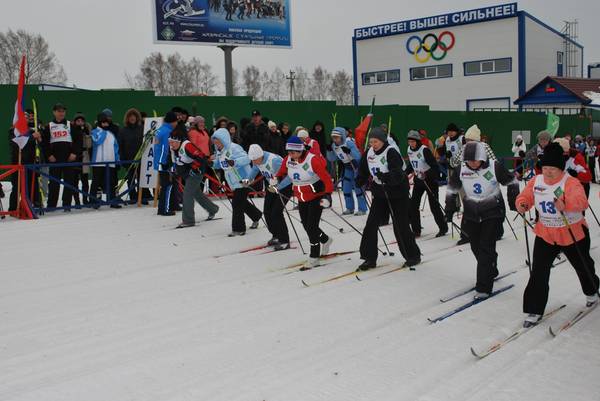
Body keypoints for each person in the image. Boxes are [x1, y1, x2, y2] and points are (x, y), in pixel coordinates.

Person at [516, 142, 599, 328]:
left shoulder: (570, 182)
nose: (548, 172)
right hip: (546, 233)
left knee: (582, 266)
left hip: (571, 232)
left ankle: (592, 291)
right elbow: (526, 196)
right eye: (545, 167)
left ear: (561, 168)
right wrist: (522, 203)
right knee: (539, 271)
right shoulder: (536, 181)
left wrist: (566, 204)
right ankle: (534, 309)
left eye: (552, 168)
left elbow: (582, 201)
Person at [445, 142, 519, 299]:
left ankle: (484, 287)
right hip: (471, 213)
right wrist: (449, 209)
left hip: (492, 211)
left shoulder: (494, 167)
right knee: (475, 246)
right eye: (469, 160)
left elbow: (512, 181)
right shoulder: (461, 169)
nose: (472, 163)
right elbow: (451, 189)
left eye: (475, 160)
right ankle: (491, 267)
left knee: (486, 247)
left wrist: (514, 201)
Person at [355, 128, 421, 270]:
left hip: (397, 193)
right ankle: (369, 258)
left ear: (382, 140)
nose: (373, 144)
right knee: (371, 225)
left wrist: (385, 177)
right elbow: (363, 169)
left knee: (401, 226)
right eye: (371, 142)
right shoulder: (369, 153)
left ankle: (413, 256)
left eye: (376, 142)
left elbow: (398, 174)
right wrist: (360, 179)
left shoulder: (391, 152)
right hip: (380, 193)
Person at [274, 136, 333, 268]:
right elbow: (281, 172)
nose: (291, 155)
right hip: (302, 197)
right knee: (306, 225)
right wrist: (275, 178)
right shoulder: (288, 159)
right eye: (289, 152)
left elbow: (327, 179)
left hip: (316, 196)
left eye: (293, 152)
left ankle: (314, 257)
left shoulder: (312, 160)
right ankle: (325, 239)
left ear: (301, 150)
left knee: (311, 227)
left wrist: (328, 196)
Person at [210, 127, 262, 236]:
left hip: (243, 179)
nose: (217, 144)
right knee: (241, 202)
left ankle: (238, 229)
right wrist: (213, 163)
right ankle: (256, 215)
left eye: (218, 142)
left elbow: (247, 158)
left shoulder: (234, 147)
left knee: (237, 204)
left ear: (224, 139)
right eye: (215, 142)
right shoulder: (220, 152)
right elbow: (220, 164)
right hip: (233, 181)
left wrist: (235, 162)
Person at [245, 144, 292, 250]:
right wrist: (247, 180)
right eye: (252, 160)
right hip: (272, 186)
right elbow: (254, 169)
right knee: (267, 212)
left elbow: (289, 176)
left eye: (255, 160)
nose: (254, 162)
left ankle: (284, 240)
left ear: (260, 155)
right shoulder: (257, 161)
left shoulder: (274, 161)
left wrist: (279, 187)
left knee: (276, 213)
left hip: (285, 186)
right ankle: (276, 235)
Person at [405, 130, 448, 237]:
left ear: (417, 141)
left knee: (434, 206)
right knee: (413, 205)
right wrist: (405, 173)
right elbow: (412, 163)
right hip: (418, 181)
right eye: (409, 142)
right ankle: (416, 230)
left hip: (429, 181)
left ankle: (443, 228)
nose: (411, 144)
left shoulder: (424, 150)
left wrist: (426, 174)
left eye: (413, 141)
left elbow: (435, 166)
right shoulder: (409, 149)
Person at [169, 137, 219, 228]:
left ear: (179, 141)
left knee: (187, 194)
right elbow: (177, 161)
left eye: (173, 142)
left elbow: (201, 157)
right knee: (197, 194)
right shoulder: (173, 149)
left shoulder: (187, 145)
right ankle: (213, 209)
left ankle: (188, 220)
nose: (171, 144)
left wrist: (196, 168)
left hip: (195, 173)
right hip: (187, 175)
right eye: (170, 142)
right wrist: (174, 171)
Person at [42, 103, 77, 210]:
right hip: (55, 159)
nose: (61, 113)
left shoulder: (70, 124)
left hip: (68, 158)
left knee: (69, 182)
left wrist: (74, 153)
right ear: (54, 112)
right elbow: (44, 143)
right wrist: (49, 155)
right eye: (59, 111)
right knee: (54, 183)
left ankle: (67, 204)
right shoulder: (49, 126)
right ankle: (51, 205)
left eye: (63, 111)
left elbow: (78, 140)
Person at [326, 127, 367, 216]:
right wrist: (329, 151)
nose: (335, 139)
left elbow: (358, 156)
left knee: (358, 188)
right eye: (333, 137)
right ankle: (349, 208)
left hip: (355, 166)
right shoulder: (334, 145)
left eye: (337, 137)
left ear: (342, 136)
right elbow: (332, 158)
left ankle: (362, 208)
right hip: (347, 167)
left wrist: (349, 151)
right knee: (346, 188)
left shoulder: (348, 143)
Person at [8, 110, 43, 210]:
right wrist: (32, 137)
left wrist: (39, 140)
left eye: (27, 118)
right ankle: (13, 209)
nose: (26, 119)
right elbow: (16, 143)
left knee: (33, 185)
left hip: (31, 163)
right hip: (18, 163)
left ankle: (35, 205)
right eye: (24, 118)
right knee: (17, 187)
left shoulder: (31, 131)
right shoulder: (13, 131)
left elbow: (40, 146)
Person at [90, 113, 121, 209]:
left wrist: (117, 160)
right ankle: (94, 201)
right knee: (96, 182)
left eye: (107, 123)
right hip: (98, 162)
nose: (106, 124)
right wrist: (103, 131)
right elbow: (97, 141)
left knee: (112, 182)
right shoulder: (94, 132)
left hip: (110, 162)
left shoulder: (111, 134)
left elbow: (116, 147)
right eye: (103, 122)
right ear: (99, 123)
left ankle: (112, 201)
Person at [153, 111, 178, 216]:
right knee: (167, 185)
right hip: (165, 162)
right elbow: (166, 148)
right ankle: (164, 209)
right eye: (176, 121)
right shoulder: (168, 132)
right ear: (172, 121)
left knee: (166, 185)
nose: (176, 123)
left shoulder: (160, 130)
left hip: (159, 161)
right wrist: (166, 162)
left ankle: (168, 206)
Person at [118, 108, 144, 203]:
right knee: (130, 179)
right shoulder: (123, 131)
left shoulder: (142, 129)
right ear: (127, 118)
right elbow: (120, 146)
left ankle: (142, 196)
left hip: (141, 159)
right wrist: (122, 159)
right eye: (130, 117)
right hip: (129, 159)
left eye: (134, 116)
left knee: (142, 179)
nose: (132, 118)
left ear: (137, 118)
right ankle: (133, 196)